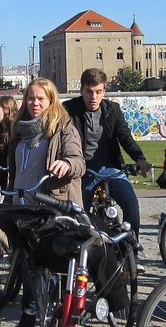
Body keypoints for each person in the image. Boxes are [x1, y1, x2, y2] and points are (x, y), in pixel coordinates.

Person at [8, 78, 86, 327]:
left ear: (51, 100)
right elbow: (16, 168)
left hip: (51, 205)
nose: (35, 103)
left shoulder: (63, 127)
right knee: (26, 262)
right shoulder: (20, 129)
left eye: (41, 98)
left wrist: (66, 164)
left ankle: (39, 314)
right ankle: (33, 313)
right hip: (22, 205)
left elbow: (79, 162)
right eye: (31, 98)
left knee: (45, 267)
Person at [62, 68, 151, 271]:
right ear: (81, 90)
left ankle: (130, 254)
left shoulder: (112, 110)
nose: (94, 97)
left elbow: (125, 136)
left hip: (111, 168)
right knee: (79, 214)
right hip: (83, 170)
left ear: (104, 91)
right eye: (89, 91)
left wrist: (139, 158)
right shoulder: (69, 110)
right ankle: (81, 259)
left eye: (99, 91)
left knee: (131, 205)